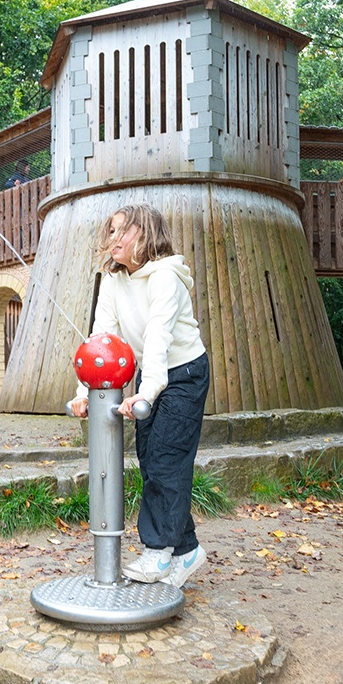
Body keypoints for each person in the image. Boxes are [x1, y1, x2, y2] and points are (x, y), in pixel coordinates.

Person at [68, 204, 211, 588]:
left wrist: (144, 392)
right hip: (154, 374)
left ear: (145, 235)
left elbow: (157, 337)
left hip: (183, 374)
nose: (112, 239)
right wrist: (85, 390)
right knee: (152, 461)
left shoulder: (166, 276)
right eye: (110, 232)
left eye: (121, 232)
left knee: (167, 460)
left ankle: (158, 552)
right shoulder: (114, 281)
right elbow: (103, 340)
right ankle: (186, 551)